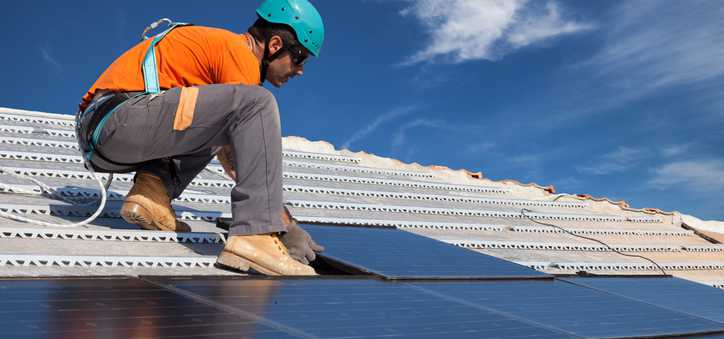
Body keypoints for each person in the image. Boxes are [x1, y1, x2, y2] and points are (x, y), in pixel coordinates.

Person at [75, 0, 325, 276]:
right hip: (119, 121)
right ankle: (255, 236)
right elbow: (245, 158)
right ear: (275, 45)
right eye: (299, 57)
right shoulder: (239, 53)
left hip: (107, 132)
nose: (300, 70)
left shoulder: (219, 55)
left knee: (224, 124)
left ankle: (152, 194)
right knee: (258, 103)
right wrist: (283, 225)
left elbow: (233, 149)